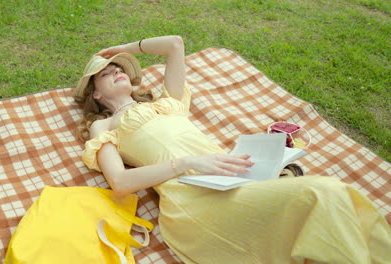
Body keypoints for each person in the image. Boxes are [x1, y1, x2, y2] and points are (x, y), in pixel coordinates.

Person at [73, 35, 390, 264]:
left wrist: (124, 50)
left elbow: (175, 44)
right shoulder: (105, 127)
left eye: (120, 69)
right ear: (96, 95)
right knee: (324, 193)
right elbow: (120, 182)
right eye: (105, 73)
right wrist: (187, 162)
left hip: (235, 176)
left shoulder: (168, 102)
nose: (117, 71)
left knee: (342, 198)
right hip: (194, 198)